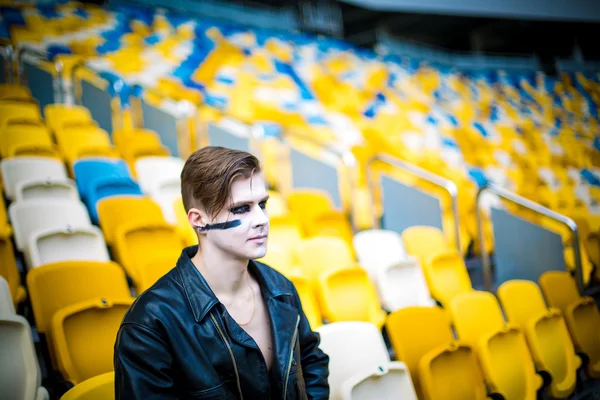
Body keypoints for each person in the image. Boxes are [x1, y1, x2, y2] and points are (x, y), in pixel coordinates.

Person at [114, 146, 330, 399]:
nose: (262, 219)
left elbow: (312, 363)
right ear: (198, 219)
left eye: (263, 204)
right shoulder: (150, 323)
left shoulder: (280, 288)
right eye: (241, 209)